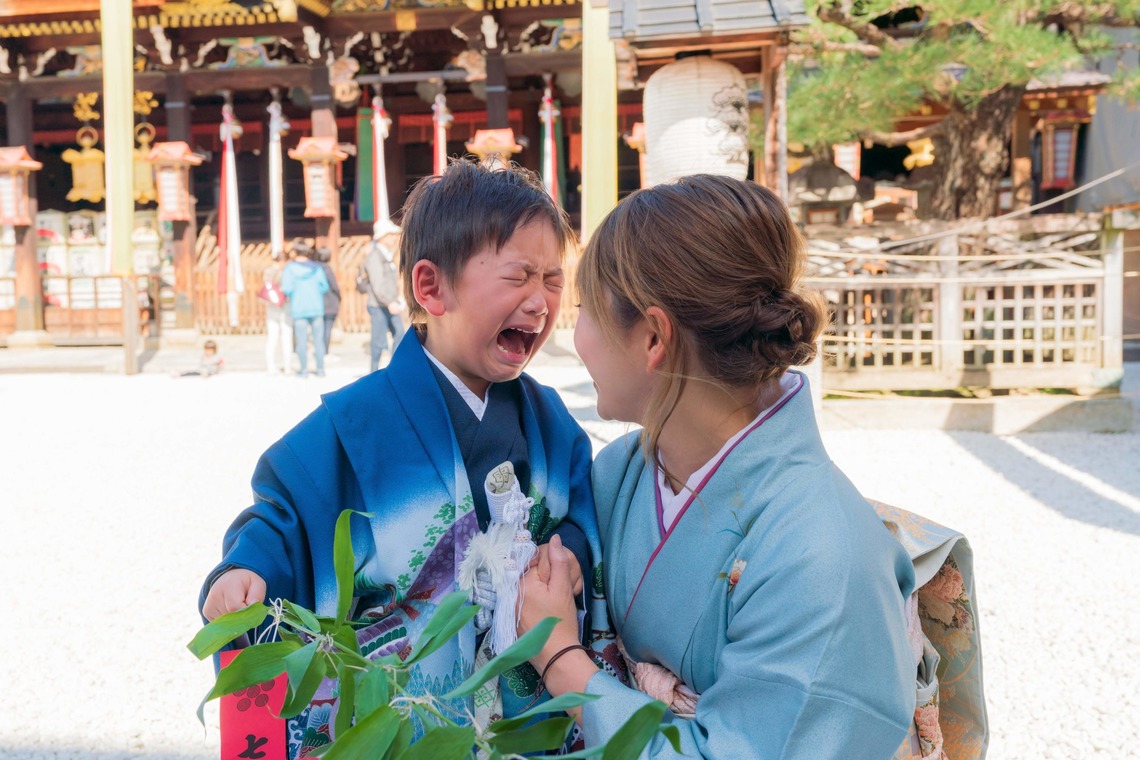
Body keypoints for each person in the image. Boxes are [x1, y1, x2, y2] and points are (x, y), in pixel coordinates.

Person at [199, 160, 616, 759]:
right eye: (519, 276)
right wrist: (247, 571)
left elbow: (579, 510)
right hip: (404, 703)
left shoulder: (547, 418)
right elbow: (288, 515)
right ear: (431, 288)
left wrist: (569, 552)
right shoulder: (357, 423)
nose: (541, 300)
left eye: (553, 279)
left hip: (521, 699)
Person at [517, 175, 918, 758]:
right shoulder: (619, 474)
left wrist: (560, 660)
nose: (573, 337)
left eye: (584, 310)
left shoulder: (821, 557)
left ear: (654, 337)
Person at [360, 220, 406, 371]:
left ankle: (393, 369)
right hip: (378, 305)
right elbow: (377, 284)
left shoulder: (385, 254)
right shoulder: (374, 256)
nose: (394, 238)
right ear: (382, 236)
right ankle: (373, 372)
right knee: (378, 341)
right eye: (391, 234)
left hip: (390, 302)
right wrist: (389, 301)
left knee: (400, 334)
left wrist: (396, 298)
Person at [280, 239, 329, 378]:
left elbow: (287, 288)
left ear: (295, 252)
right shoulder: (317, 268)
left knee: (301, 341)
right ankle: (320, 369)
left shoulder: (290, 268)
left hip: (299, 307)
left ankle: (304, 370)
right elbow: (324, 287)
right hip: (316, 307)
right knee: (318, 340)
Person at [261, 251, 292, 375]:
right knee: (286, 336)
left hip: (272, 306)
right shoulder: (288, 272)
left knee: (272, 337)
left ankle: (271, 365)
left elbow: (266, 287)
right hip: (285, 305)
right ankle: (287, 365)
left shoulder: (268, 272)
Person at [314, 246, 341, 361]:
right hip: (329, 303)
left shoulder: (314, 269)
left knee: (319, 328)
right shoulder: (327, 269)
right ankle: (325, 352)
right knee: (327, 328)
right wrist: (339, 297)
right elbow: (334, 286)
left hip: (317, 302)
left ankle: (319, 350)